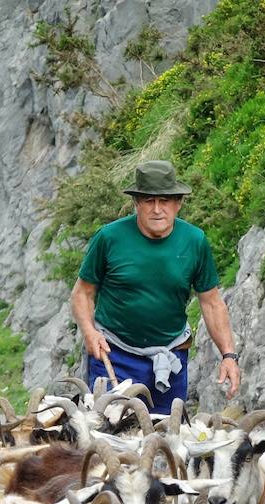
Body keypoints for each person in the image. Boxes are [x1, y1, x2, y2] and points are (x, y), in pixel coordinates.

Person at [70, 160, 240, 413]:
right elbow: (82, 293)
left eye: (165, 200)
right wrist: (89, 332)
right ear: (136, 203)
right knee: (109, 433)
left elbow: (211, 302)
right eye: (149, 201)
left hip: (170, 357)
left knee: (166, 438)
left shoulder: (194, 241)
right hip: (114, 354)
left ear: (178, 203)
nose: (157, 209)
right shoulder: (109, 238)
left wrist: (228, 355)